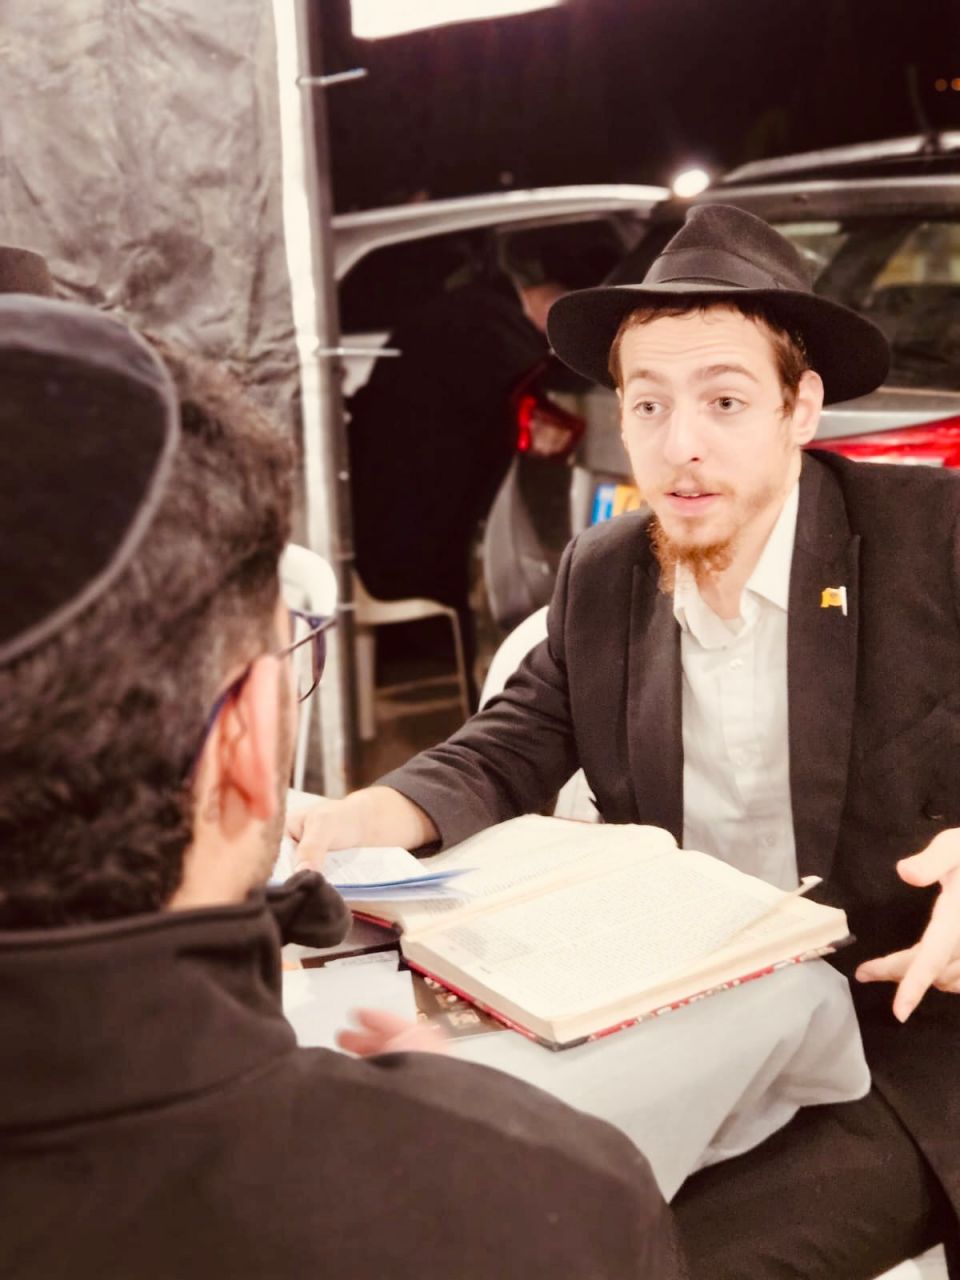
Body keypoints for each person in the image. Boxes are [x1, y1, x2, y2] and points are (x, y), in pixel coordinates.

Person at [292, 205, 960, 1279]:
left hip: (907, 1035)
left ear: (800, 408)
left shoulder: (932, 537)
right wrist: (350, 821)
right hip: (691, 1011)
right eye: (649, 403)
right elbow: (506, 744)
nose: (679, 443)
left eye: (725, 401)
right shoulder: (606, 573)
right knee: (469, 1209)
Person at [0, 287, 684, 1279]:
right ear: (248, 741)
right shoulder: (545, 1207)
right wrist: (461, 1139)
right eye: (648, 401)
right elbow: (510, 741)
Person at [347, 225, 620, 701]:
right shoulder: (491, 330)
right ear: (553, 301)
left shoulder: (475, 310)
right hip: (411, 532)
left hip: (385, 508)